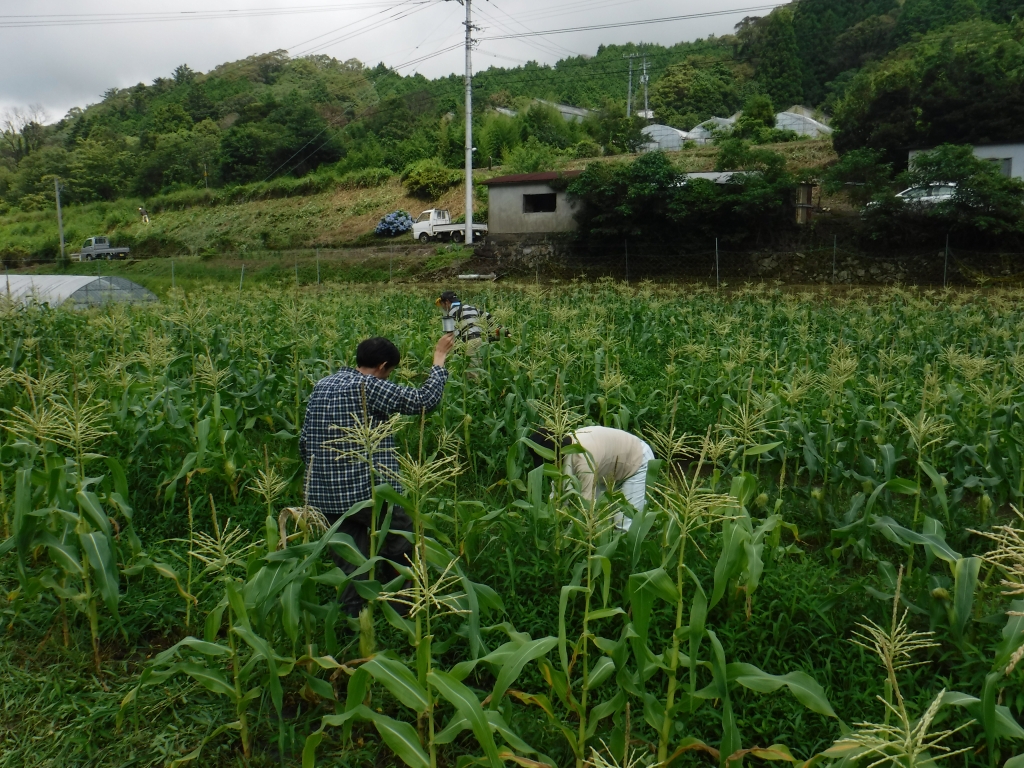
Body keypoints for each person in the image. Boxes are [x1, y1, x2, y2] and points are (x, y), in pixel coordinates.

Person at [300, 334, 454, 616]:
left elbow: (304, 441)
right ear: (383, 366)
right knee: (403, 547)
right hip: (369, 494)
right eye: (390, 372)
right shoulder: (368, 386)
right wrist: (439, 359)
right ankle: (407, 610)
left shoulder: (322, 386)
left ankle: (354, 624)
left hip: (324, 497)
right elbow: (423, 401)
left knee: (350, 564)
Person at [528, 426, 655, 531]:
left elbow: (586, 507)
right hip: (609, 466)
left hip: (637, 460)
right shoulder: (565, 446)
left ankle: (628, 555)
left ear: (557, 456)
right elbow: (559, 493)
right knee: (605, 517)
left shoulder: (583, 460)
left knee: (623, 525)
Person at [436, 290, 506, 355]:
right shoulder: (471, 308)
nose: (443, 307)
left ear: (447, 302)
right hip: (483, 342)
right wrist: (490, 334)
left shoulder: (451, 313)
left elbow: (451, 336)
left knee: (473, 366)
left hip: (470, 343)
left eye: (442, 304)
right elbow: (489, 317)